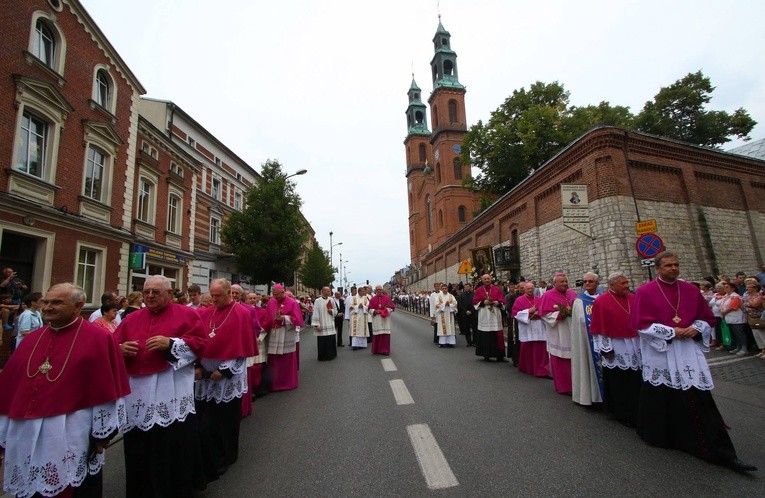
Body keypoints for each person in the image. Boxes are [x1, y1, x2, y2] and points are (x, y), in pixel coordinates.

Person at [0, 283, 130, 498]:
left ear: (78, 306)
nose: (48, 307)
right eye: (46, 302)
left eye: (56, 302)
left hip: (70, 430)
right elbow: (8, 390)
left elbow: (108, 390)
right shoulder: (31, 339)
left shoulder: (99, 339)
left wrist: (103, 435)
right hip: (26, 432)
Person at [631, 251, 756, 472]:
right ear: (657, 268)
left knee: (697, 396)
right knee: (661, 394)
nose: (673, 268)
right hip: (663, 352)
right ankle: (661, 436)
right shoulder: (645, 291)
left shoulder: (689, 289)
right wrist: (671, 331)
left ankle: (720, 451)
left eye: (676, 265)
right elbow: (641, 325)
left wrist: (695, 328)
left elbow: (706, 318)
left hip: (688, 350)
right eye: (668, 265)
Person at [113, 275, 209, 496]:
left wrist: (172, 344)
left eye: (155, 292)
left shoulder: (187, 314)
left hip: (170, 386)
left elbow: (200, 344)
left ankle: (175, 488)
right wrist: (119, 349)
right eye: (146, 291)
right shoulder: (131, 318)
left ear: (169, 293)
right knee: (139, 444)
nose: (150, 296)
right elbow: (113, 344)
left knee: (170, 442)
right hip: (138, 390)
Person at [196, 279, 258, 479]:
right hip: (206, 375)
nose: (214, 300)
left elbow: (243, 348)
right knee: (208, 418)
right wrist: (198, 366)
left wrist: (224, 371)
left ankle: (228, 454)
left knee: (226, 419)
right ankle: (210, 454)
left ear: (229, 293)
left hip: (227, 376)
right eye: (212, 296)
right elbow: (198, 340)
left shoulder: (242, 313)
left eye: (218, 296)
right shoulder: (207, 312)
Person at [590, 272, 642, 427]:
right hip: (616, 345)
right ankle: (621, 411)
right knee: (619, 379)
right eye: (623, 283)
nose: (627, 286)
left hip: (635, 342)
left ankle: (639, 408)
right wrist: (605, 348)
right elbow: (599, 327)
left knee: (637, 375)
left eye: (627, 283)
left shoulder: (633, 298)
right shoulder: (602, 301)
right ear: (612, 285)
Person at [539, 273, 578, 394]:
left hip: (572, 329)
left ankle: (577, 385)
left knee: (575, 358)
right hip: (558, 332)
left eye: (566, 281)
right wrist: (560, 314)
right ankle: (564, 386)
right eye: (562, 282)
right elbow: (544, 315)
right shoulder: (547, 296)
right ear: (554, 283)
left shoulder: (572, 293)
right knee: (560, 359)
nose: (565, 284)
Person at [570, 272, 604, 406]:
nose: (587, 284)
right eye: (585, 282)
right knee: (586, 364)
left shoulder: (604, 298)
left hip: (604, 340)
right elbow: (577, 323)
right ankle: (589, 396)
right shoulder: (579, 301)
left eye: (591, 281)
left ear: (597, 283)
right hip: (586, 341)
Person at [264, 284, 303, 391]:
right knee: (274, 359)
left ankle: (287, 383)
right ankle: (274, 384)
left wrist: (283, 318)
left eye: (277, 294)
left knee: (286, 359)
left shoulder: (292, 303)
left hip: (286, 333)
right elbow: (267, 317)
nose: (275, 297)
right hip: (274, 333)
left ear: (283, 292)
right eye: (273, 294)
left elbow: (298, 320)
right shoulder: (271, 301)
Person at [512, 282, 548, 377]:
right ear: (524, 289)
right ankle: (527, 367)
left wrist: (538, 313)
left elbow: (545, 310)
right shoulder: (519, 300)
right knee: (527, 348)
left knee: (540, 348)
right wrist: (529, 311)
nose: (530, 290)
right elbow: (516, 314)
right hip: (527, 326)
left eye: (532, 288)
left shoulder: (539, 299)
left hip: (539, 326)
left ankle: (541, 368)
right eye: (528, 288)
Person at [472, 274, 507, 362]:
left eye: (488, 278)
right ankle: (486, 355)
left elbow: (503, 301)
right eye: (485, 279)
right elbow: (475, 302)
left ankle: (500, 356)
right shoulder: (479, 290)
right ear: (482, 280)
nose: (487, 280)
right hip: (485, 315)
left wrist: (497, 302)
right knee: (486, 335)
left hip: (495, 315)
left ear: (490, 279)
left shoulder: (496, 289)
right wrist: (484, 302)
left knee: (497, 334)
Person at [719, 281, 749, 356]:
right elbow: (722, 305)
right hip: (728, 318)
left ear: (733, 288)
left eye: (727, 287)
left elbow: (733, 307)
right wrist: (722, 311)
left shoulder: (735, 296)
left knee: (739, 333)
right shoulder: (725, 296)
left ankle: (744, 348)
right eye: (724, 287)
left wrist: (724, 312)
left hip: (736, 318)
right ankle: (738, 346)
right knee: (734, 334)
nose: (725, 288)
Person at [311, 286, 338, 361]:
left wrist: (331, 311)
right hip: (322, 323)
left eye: (329, 291)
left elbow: (336, 310)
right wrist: (317, 325)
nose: (329, 292)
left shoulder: (331, 300)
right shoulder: (317, 301)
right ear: (323, 292)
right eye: (327, 291)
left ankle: (331, 355)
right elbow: (315, 312)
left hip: (330, 323)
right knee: (322, 341)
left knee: (330, 340)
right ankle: (322, 356)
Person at [369, 285, 395, 355]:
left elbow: (392, 307)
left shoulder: (387, 298)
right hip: (377, 319)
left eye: (380, 289)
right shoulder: (372, 299)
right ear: (375, 290)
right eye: (377, 290)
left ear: (382, 290)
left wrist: (386, 311)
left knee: (385, 335)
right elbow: (369, 309)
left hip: (385, 319)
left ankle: (385, 350)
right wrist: (374, 311)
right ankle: (376, 350)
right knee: (377, 334)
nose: (379, 291)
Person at [433, 283, 458, 348]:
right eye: (443, 288)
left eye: (445, 288)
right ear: (441, 289)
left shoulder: (451, 296)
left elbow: (455, 303)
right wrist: (444, 305)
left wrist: (449, 305)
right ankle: (442, 343)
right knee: (442, 329)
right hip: (442, 314)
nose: (444, 290)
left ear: (447, 289)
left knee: (450, 328)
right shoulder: (439, 296)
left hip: (450, 314)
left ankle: (451, 342)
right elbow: (436, 304)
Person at [345, 286, 370, 350]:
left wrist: (364, 307)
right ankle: (355, 345)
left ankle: (362, 345)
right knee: (356, 331)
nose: (363, 292)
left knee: (362, 331)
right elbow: (350, 306)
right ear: (358, 292)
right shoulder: (354, 298)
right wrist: (357, 306)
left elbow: (368, 306)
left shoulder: (365, 298)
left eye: (364, 291)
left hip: (363, 316)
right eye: (362, 291)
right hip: (355, 317)